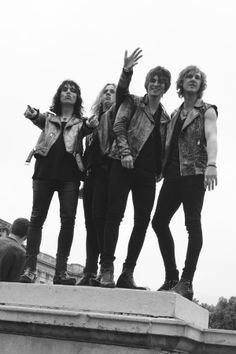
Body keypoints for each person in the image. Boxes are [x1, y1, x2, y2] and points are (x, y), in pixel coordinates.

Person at [100, 61, 171, 289]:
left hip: (148, 174)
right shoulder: (133, 102)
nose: (156, 84)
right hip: (123, 165)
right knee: (114, 215)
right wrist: (125, 152)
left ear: (166, 87)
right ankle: (106, 269)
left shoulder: (165, 117)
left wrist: (160, 170)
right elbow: (119, 126)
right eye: (153, 80)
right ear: (147, 83)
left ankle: (127, 273)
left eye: (161, 82)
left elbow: (164, 145)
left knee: (142, 222)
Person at [19, 80, 97, 285]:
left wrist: (93, 123)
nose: (68, 93)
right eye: (65, 89)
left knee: (68, 220)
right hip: (44, 173)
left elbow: (89, 127)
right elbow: (37, 117)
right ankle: (29, 269)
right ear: (59, 95)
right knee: (37, 219)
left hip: (70, 176)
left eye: (73, 90)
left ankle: (60, 272)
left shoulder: (81, 123)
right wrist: (32, 114)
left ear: (77, 97)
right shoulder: (48, 119)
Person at [152, 65, 218, 300]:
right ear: (181, 83)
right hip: (172, 175)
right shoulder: (174, 114)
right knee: (158, 222)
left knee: (192, 224)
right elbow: (167, 146)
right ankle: (172, 276)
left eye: (197, 77)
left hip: (195, 172)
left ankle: (186, 281)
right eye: (189, 76)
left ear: (201, 84)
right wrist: (159, 170)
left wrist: (212, 164)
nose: (193, 79)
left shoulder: (207, 111)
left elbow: (211, 137)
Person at [77, 48, 143, 286]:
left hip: (109, 173)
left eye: (112, 91)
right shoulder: (91, 122)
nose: (108, 94)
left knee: (103, 220)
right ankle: (88, 270)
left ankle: (106, 267)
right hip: (91, 175)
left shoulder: (118, 113)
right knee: (89, 223)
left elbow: (123, 89)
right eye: (105, 92)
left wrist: (126, 71)